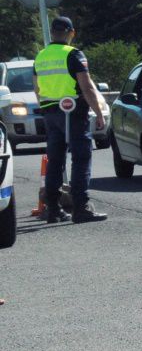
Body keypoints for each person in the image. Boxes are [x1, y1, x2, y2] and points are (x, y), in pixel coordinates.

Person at [33, 16, 108, 224]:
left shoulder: (40, 56)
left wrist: (47, 108)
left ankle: (54, 209)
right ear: (71, 33)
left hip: (50, 113)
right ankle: (81, 208)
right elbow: (87, 86)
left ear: (53, 32)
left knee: (55, 161)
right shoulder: (74, 54)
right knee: (81, 158)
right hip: (73, 112)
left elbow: (37, 89)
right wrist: (99, 112)